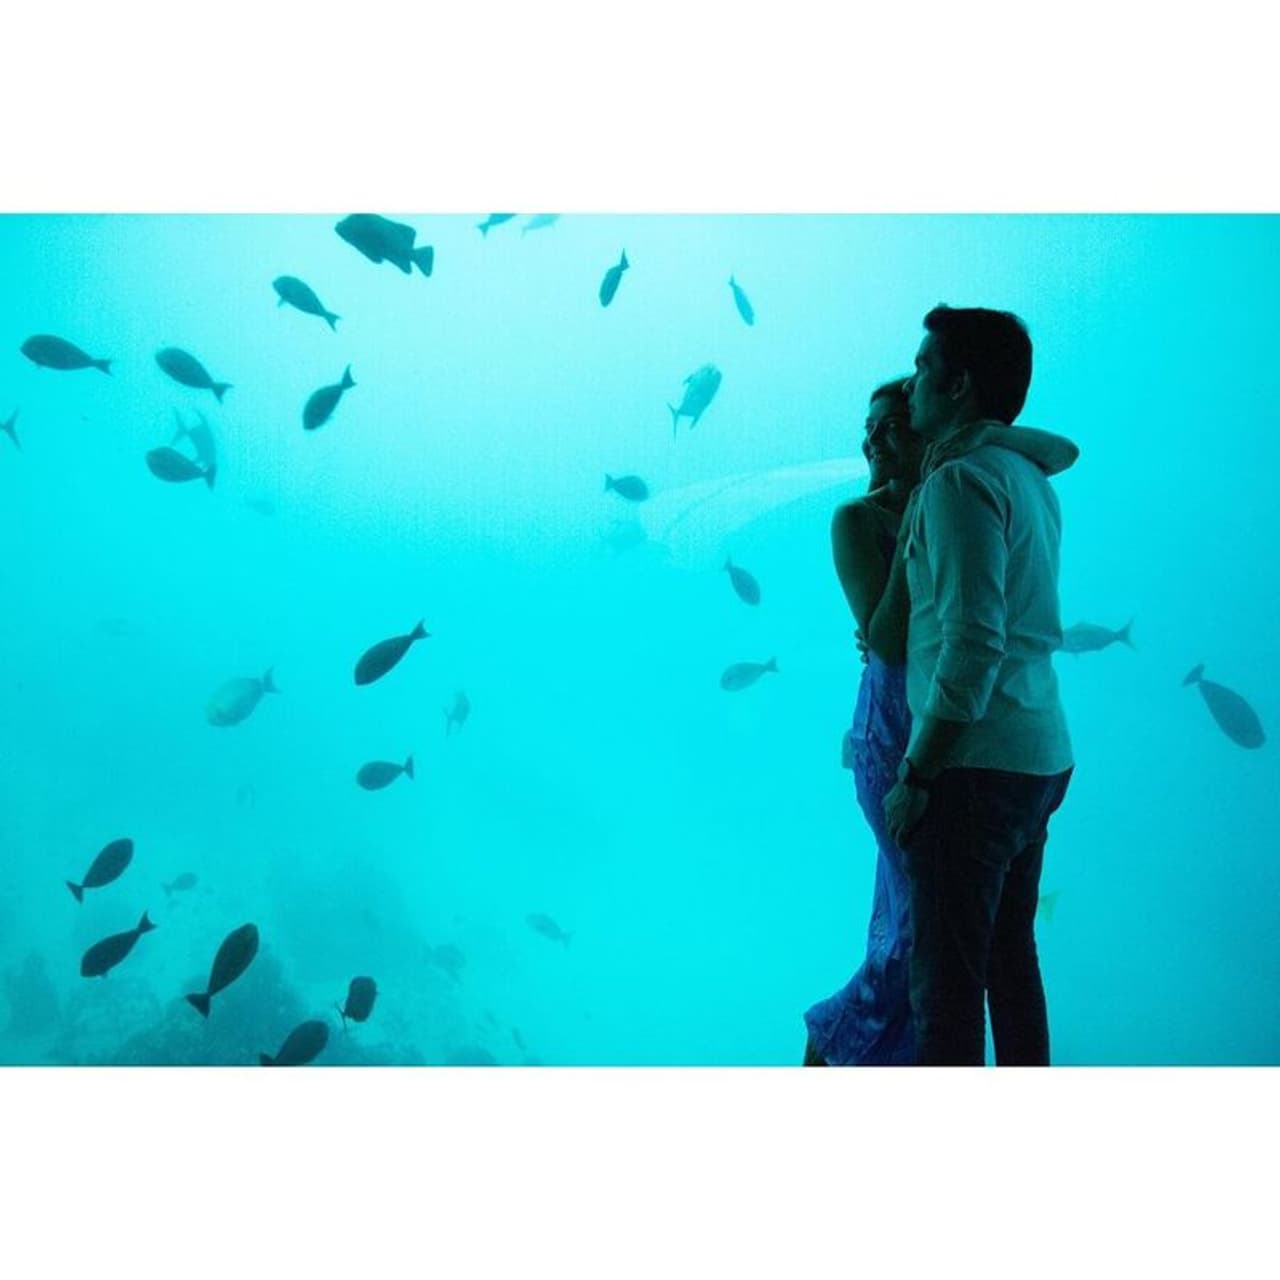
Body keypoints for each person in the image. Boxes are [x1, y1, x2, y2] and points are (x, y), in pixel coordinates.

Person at [882, 304, 1079, 1066]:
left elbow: (972, 643)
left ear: (959, 385)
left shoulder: (959, 483)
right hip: (1039, 753)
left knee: (948, 991)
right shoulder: (1028, 478)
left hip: (975, 768)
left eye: (924, 368)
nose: (911, 384)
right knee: (1010, 960)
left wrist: (918, 772)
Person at [803, 377, 925, 1066]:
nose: (874, 440)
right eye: (869, 428)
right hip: (890, 739)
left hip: (941, 739)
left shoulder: (951, 502)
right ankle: (828, 1049)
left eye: (893, 424)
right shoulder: (856, 519)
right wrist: (917, 524)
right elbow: (885, 638)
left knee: (908, 932)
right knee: (914, 939)